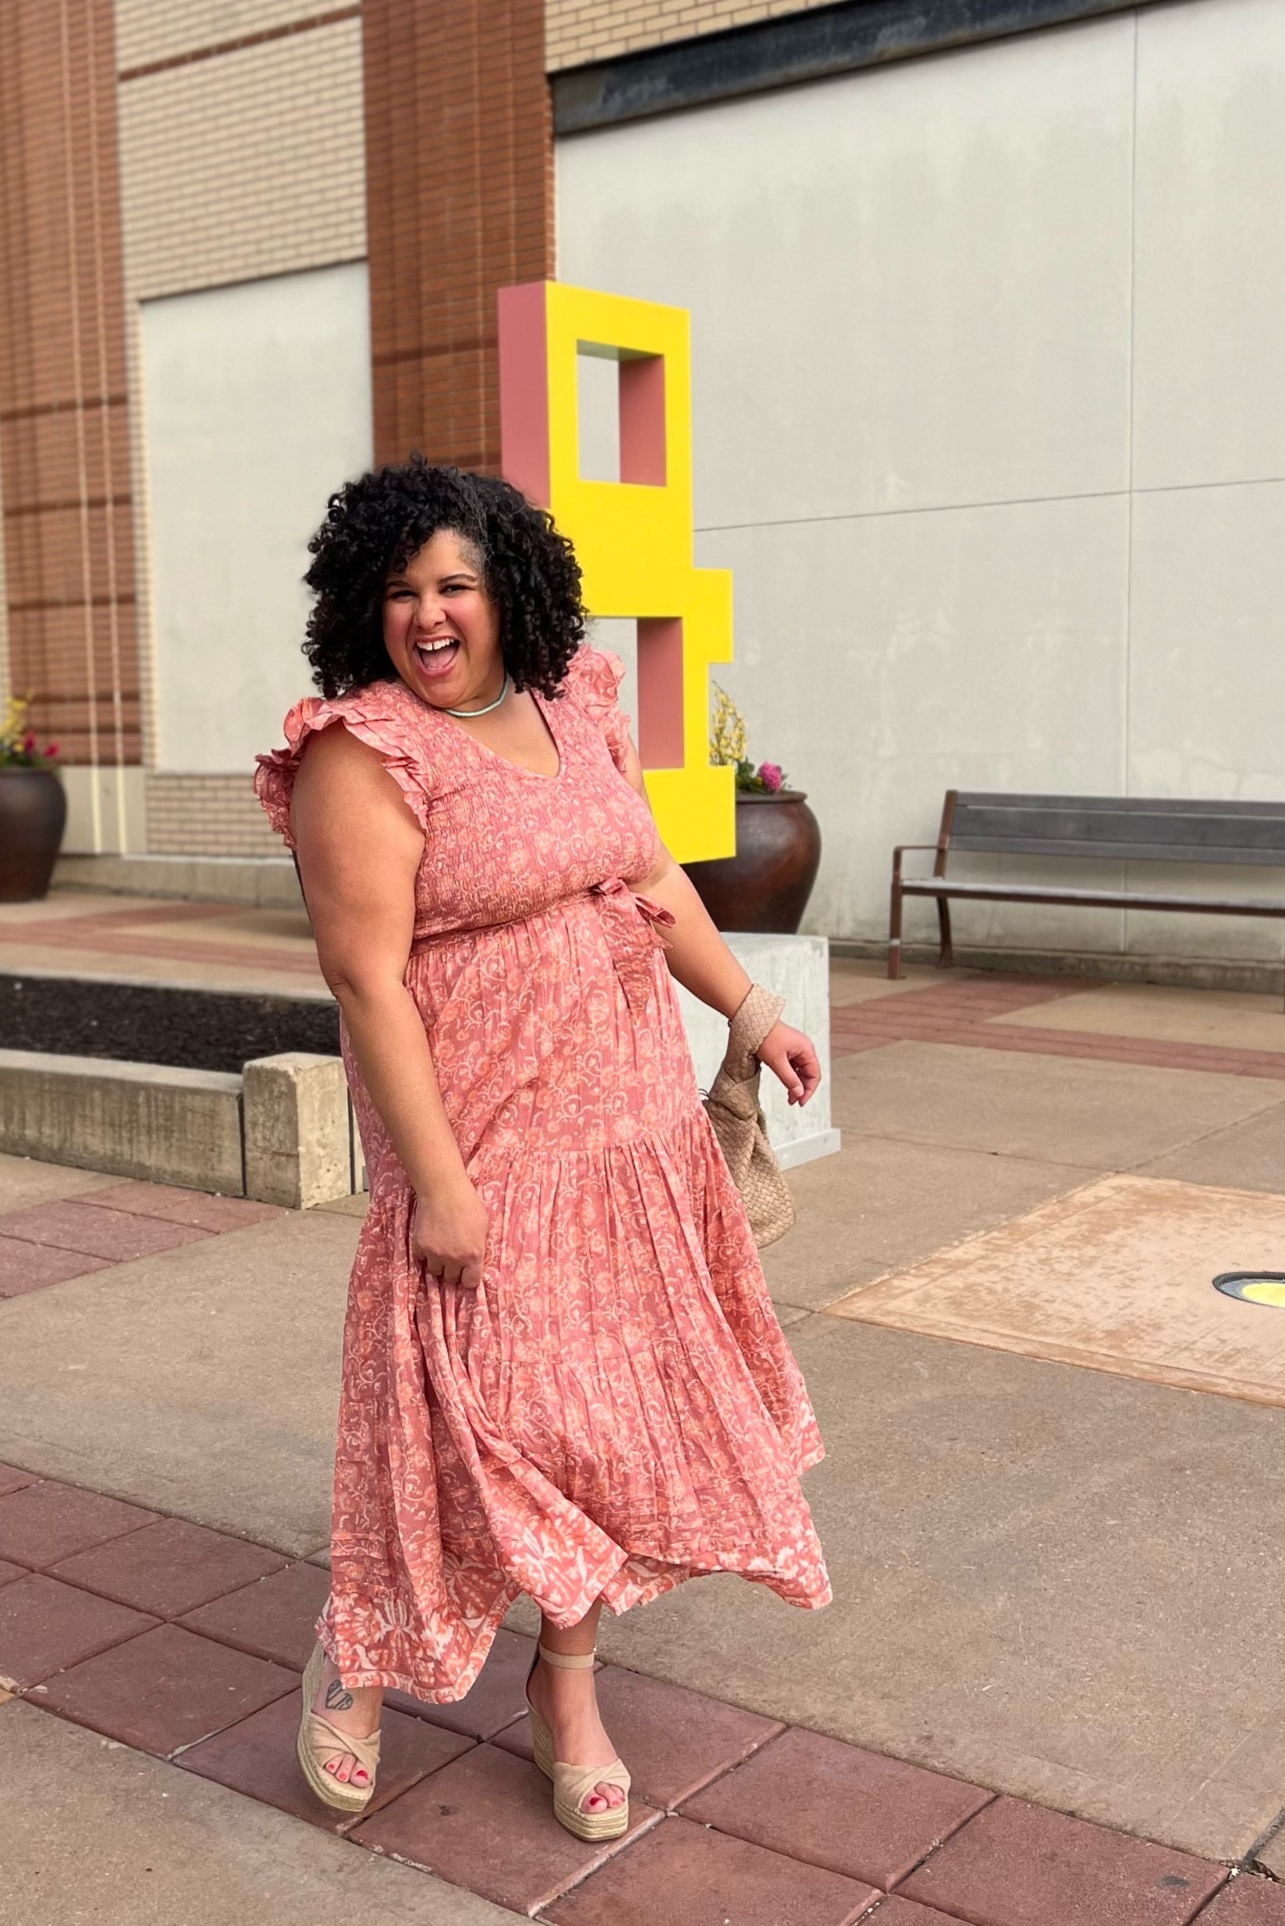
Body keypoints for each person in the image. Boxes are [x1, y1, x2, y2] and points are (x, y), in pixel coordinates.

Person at [254, 457, 829, 1841]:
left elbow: (646, 879)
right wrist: (439, 1184)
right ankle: (366, 1650)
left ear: (508, 594)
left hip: (627, 1139)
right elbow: (367, 982)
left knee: (602, 1430)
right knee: (456, 1418)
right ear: (364, 608)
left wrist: (748, 1009)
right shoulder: (364, 751)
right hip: (487, 1151)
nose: (427, 615)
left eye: (453, 584)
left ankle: (564, 1691)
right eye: (399, 592)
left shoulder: (577, 710)